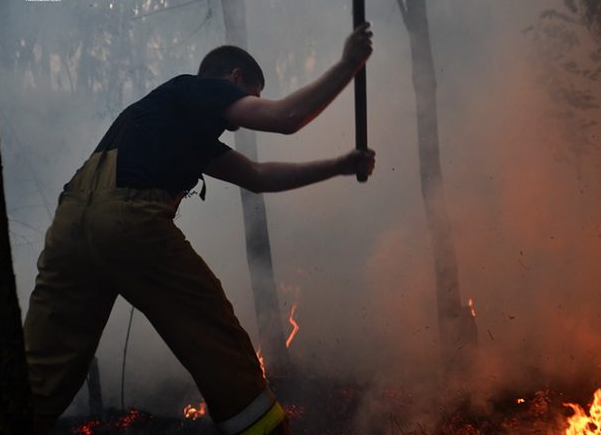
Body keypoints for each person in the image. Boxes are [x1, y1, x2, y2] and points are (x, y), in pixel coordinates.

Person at [23, 23, 375, 435]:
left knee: (40, 372)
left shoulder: (168, 117)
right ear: (235, 79)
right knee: (217, 340)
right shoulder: (202, 88)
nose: (241, 121)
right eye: (251, 96)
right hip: (128, 221)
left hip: (69, 227)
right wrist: (348, 64)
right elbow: (286, 118)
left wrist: (338, 166)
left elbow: (258, 176)